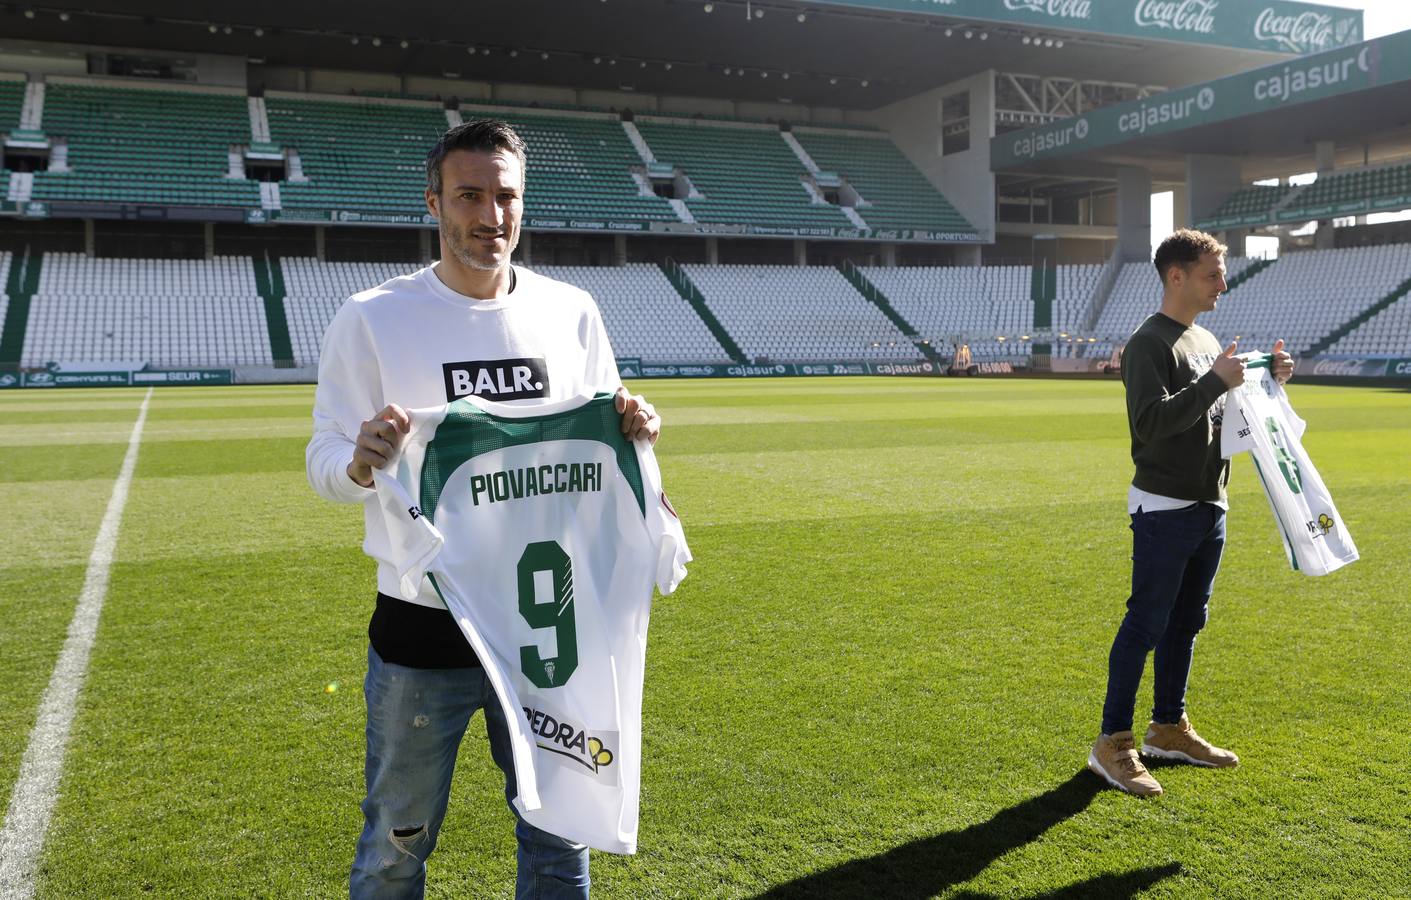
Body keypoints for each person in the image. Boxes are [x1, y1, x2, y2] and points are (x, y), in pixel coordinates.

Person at [305, 119, 661, 898]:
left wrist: (635, 427)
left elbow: (599, 439)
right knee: (396, 844)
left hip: (549, 627)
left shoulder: (571, 312)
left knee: (560, 837)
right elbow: (323, 460)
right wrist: (360, 463)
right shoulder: (372, 317)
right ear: (434, 202)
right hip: (423, 622)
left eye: (506, 196)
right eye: (470, 195)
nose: (491, 215)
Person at [1087, 229, 1293, 797]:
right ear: (1175, 275)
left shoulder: (1203, 337)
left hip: (1209, 501)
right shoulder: (1149, 343)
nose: (1222, 285)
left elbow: (1222, 406)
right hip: (1165, 506)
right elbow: (1151, 424)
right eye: (1211, 275)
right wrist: (1212, 382)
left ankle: (1168, 728)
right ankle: (1113, 743)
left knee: (1187, 622)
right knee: (1145, 624)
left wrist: (1266, 381)